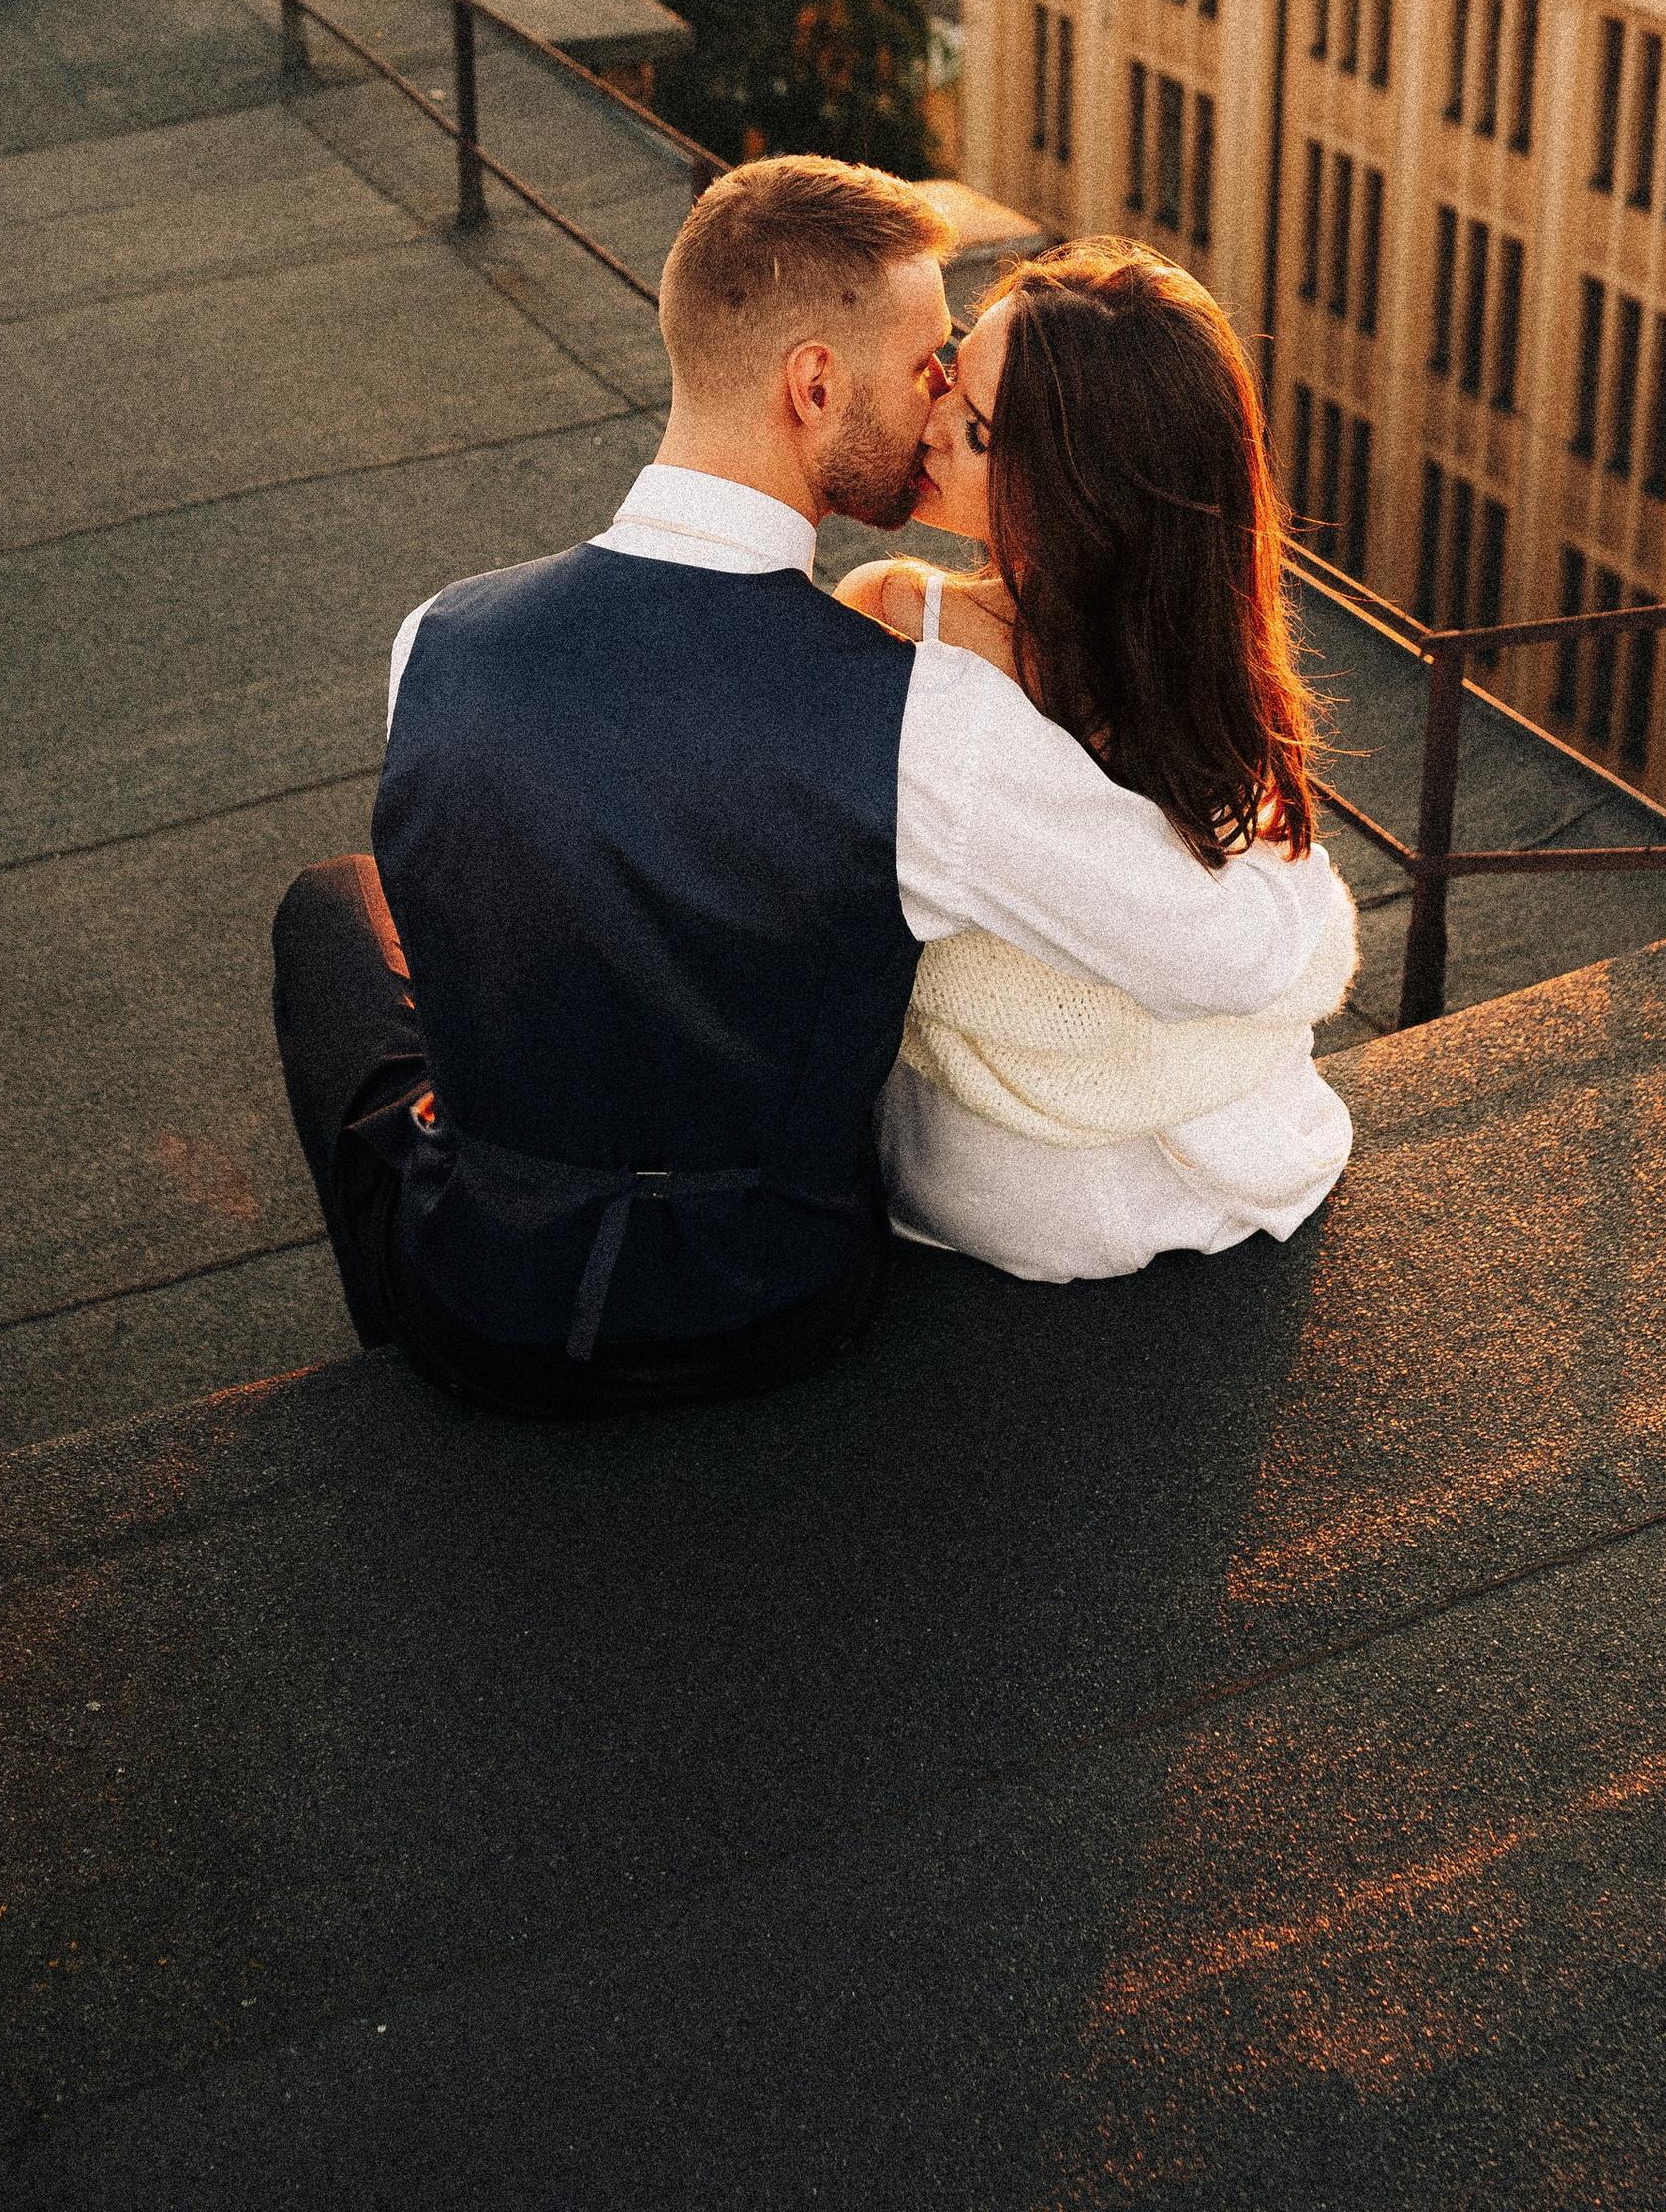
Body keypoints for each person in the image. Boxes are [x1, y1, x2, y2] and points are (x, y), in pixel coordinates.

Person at [270, 155, 1341, 1416]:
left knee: (333, 912)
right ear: (815, 383)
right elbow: (1230, 949)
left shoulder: (434, 639)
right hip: (771, 1306)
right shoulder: (921, 723)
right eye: (927, 361)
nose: (937, 397)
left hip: (474, 1305)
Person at [838, 239, 1357, 1285]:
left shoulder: (907, 624)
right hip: (1127, 1176)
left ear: (1084, 496)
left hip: (1055, 1189)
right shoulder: (904, 619)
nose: (931, 424)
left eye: (978, 433)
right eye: (948, 373)